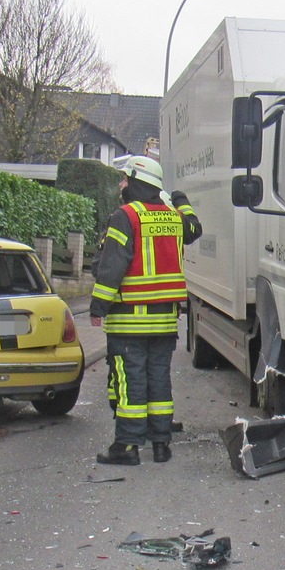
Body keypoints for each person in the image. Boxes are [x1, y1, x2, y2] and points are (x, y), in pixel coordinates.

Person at [90, 155, 201, 466]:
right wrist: (181, 200)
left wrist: (98, 306)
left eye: (125, 179)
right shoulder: (173, 217)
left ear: (137, 182)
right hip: (165, 321)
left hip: (130, 321)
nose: (122, 185)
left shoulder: (125, 216)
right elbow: (195, 228)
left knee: (131, 383)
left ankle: (126, 446)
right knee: (159, 381)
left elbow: (112, 267)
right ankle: (161, 444)